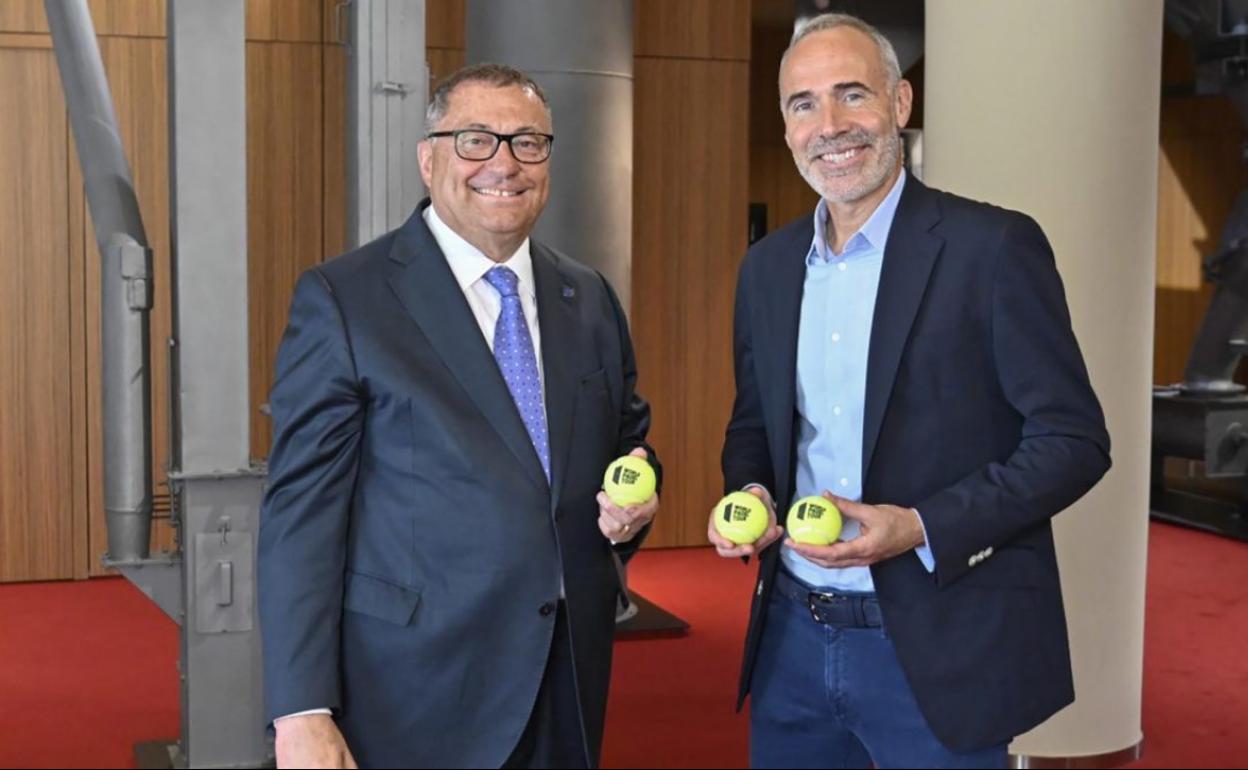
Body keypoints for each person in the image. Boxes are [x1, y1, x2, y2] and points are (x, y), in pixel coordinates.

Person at [709, 13, 1111, 769]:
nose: (829, 126)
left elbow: (1074, 442)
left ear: (900, 103)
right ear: (787, 126)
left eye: (851, 95)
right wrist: (752, 492)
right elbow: (755, 425)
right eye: (803, 104)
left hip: (938, 642)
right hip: (791, 638)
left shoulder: (992, 248)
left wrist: (920, 525)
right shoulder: (767, 268)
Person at [259, 63, 661, 769]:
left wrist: (637, 496)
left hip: (566, 673)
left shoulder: (589, 296)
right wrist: (301, 711)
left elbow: (628, 441)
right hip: (414, 688)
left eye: (528, 142)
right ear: (429, 157)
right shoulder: (347, 300)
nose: (503, 163)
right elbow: (301, 518)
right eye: (476, 140)